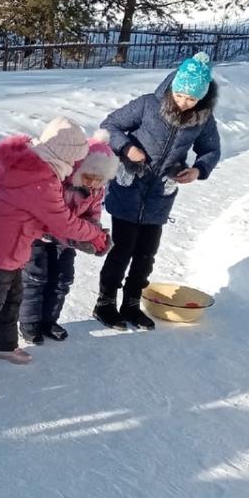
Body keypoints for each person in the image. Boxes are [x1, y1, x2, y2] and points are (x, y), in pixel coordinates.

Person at [0, 117, 109, 384]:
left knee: (12, 296)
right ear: (66, 155)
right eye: (76, 160)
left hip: (12, 245)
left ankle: (4, 345)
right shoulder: (40, 179)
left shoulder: (41, 171)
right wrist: (96, 235)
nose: (75, 167)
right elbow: (62, 222)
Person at [95, 53, 221, 330]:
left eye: (191, 98)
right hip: (129, 188)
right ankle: (105, 303)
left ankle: (131, 303)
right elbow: (110, 126)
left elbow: (211, 150)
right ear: (173, 85)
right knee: (123, 248)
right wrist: (127, 148)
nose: (183, 102)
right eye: (179, 94)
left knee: (146, 253)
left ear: (202, 97)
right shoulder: (147, 105)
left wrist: (198, 170)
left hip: (159, 195)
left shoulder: (202, 120)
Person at [18, 135, 118, 344]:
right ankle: (29, 322)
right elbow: (55, 219)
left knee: (62, 279)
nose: (92, 183)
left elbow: (93, 214)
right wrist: (80, 236)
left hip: (69, 240)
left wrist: (95, 233)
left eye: (98, 179)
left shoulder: (96, 191)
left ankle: (49, 320)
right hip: (39, 236)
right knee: (35, 279)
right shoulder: (59, 184)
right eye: (88, 176)